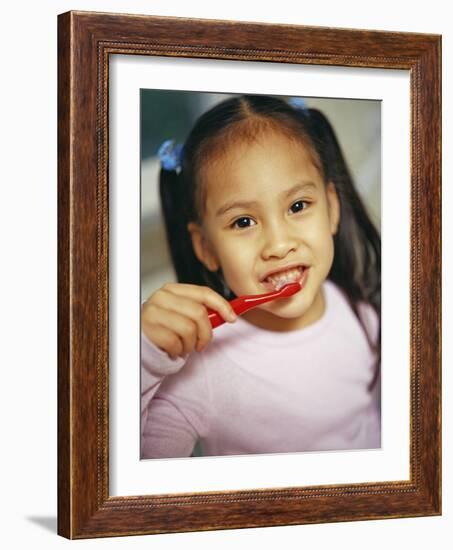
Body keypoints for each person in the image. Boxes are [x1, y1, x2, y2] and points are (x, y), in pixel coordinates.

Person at [141, 95, 381, 459]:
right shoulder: (197, 374)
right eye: (243, 222)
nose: (279, 244)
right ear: (205, 246)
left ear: (332, 208)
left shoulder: (362, 314)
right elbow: (125, 477)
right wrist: (141, 360)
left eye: (298, 206)